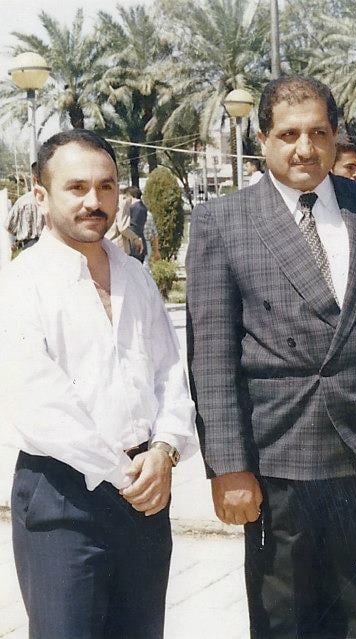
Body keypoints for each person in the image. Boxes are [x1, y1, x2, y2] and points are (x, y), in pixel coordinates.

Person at [186, 76, 356, 639]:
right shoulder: (224, 221)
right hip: (277, 458)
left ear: (335, 134)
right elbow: (212, 359)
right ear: (263, 140)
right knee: (284, 620)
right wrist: (229, 466)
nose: (305, 148)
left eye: (318, 133)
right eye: (289, 134)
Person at [0, 130, 197, 638]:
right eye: (77, 187)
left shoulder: (135, 276)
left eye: (106, 186)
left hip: (144, 497)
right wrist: (127, 473)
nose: (94, 201)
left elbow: (169, 374)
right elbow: (40, 406)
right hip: (63, 499)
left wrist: (165, 450)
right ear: (41, 196)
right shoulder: (22, 284)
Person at [5, 167, 45, 252]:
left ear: (34, 178)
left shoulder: (23, 201)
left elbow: (9, 226)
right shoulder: (52, 200)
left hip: (28, 245)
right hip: (48, 244)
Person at [106, 186, 143, 256]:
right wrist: (135, 238)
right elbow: (122, 228)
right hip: (118, 246)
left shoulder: (106, 200)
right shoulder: (124, 201)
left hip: (106, 244)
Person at [126, 185, 148, 261]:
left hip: (134, 244)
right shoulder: (143, 207)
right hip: (141, 240)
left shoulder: (133, 208)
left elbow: (133, 226)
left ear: (130, 195)